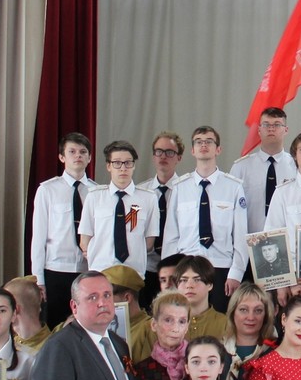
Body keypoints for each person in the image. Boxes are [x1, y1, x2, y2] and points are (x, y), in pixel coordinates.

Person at [162, 126, 248, 314]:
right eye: (198, 142)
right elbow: (171, 236)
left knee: (220, 323)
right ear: (192, 150)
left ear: (218, 149)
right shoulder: (180, 187)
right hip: (186, 269)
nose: (203, 145)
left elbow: (241, 236)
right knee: (185, 321)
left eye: (209, 141)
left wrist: (236, 273)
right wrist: (170, 274)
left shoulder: (233, 187)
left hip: (221, 268)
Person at [29, 133, 97, 326]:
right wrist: (39, 279)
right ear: (61, 157)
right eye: (72, 152)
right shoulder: (47, 190)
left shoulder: (97, 191)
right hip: (56, 270)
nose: (78, 156)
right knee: (57, 326)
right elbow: (38, 238)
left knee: (86, 324)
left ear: (89, 158)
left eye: (83, 152)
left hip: (87, 269)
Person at [81, 141, 160, 278]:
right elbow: (85, 239)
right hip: (101, 271)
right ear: (108, 166)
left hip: (133, 272)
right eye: (117, 163)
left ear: (133, 165)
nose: (123, 168)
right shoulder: (94, 197)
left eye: (128, 163)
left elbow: (149, 242)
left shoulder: (148, 198)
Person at [140, 132, 189, 310]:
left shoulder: (188, 191)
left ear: (179, 157)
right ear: (153, 156)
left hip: (177, 268)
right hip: (146, 267)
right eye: (159, 151)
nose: (163, 156)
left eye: (169, 152)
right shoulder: (140, 192)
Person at [230, 106, 299, 235]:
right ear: (259, 130)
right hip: (250, 238)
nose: (271, 129)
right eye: (266, 124)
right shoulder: (241, 168)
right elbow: (231, 209)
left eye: (277, 124)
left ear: (286, 130)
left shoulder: (297, 166)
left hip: (288, 239)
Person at [174, 255, 232, 341]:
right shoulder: (165, 322)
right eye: (184, 280)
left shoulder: (225, 324)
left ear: (210, 285)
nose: (189, 285)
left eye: (197, 280)